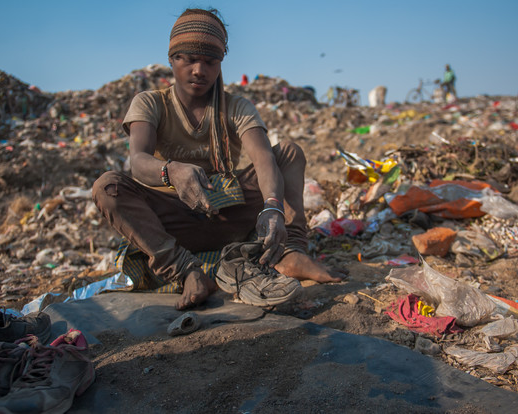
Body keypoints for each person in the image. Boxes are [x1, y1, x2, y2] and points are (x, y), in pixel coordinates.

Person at [92, 8, 343, 311]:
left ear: (221, 63)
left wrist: (273, 206)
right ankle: (187, 271)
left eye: (210, 61)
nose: (199, 70)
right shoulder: (151, 102)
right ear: (172, 59)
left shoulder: (235, 106)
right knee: (108, 187)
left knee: (288, 153)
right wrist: (171, 171)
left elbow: (264, 158)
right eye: (188, 59)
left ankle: (290, 251)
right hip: (174, 222)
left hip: (227, 211)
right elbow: (138, 162)